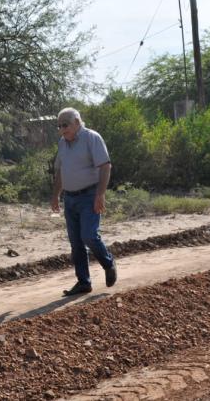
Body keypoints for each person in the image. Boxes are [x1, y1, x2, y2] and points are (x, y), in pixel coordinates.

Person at [50, 107, 117, 296]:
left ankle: (108, 263)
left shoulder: (91, 138)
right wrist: (56, 195)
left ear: (77, 122)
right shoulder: (62, 143)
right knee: (76, 243)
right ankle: (83, 282)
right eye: (59, 126)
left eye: (66, 125)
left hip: (89, 196)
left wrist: (100, 194)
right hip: (70, 199)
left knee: (89, 235)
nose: (63, 129)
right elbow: (61, 172)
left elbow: (105, 166)